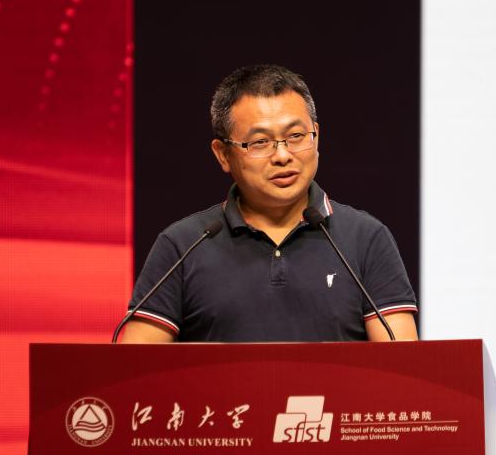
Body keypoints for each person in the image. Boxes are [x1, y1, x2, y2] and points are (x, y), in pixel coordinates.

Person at [119, 64, 417, 343]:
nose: (283, 156)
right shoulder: (183, 245)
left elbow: (399, 366)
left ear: (317, 137)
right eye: (260, 142)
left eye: (296, 136)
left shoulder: (366, 239)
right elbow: (136, 368)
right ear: (223, 154)